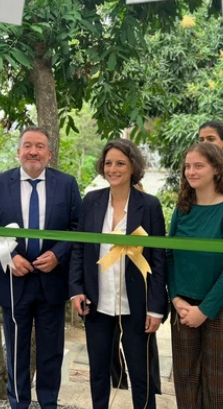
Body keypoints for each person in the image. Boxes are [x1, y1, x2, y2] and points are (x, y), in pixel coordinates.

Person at [0, 127, 82, 409]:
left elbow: (77, 227)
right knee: (16, 349)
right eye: (27, 146)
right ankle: (18, 403)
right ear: (18, 151)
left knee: (51, 351)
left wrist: (58, 255)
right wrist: (9, 256)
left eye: (39, 146)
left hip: (52, 279)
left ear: (49, 153)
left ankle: (48, 403)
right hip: (14, 280)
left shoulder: (67, 184)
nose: (33, 151)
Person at [69, 139, 166, 408]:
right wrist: (76, 289)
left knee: (140, 373)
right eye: (109, 163)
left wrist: (156, 308)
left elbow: (158, 260)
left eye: (120, 163)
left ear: (133, 166)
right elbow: (79, 248)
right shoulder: (91, 201)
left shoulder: (149, 206)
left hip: (136, 305)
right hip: (96, 303)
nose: (113, 168)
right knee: (99, 371)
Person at [166, 142, 223, 407]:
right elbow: (170, 255)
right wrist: (176, 298)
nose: (191, 171)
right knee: (185, 382)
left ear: (216, 169)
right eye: (187, 166)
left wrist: (205, 310)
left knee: (219, 389)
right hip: (183, 306)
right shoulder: (182, 209)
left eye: (198, 165)